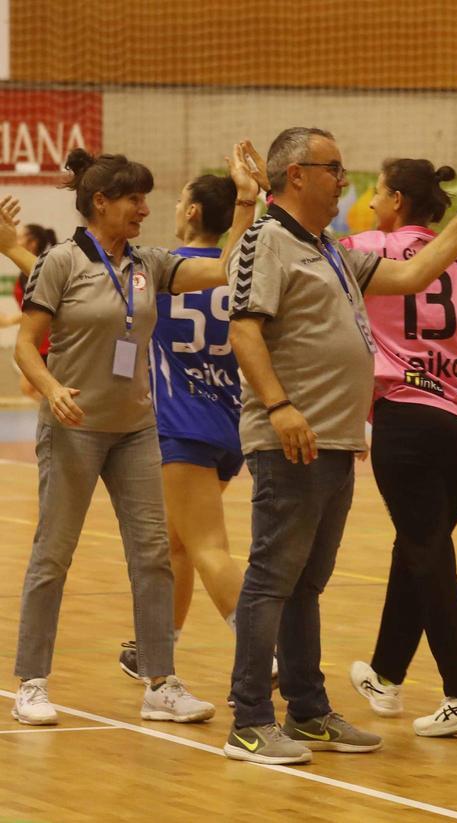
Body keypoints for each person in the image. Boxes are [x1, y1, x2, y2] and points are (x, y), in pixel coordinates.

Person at [222, 127, 457, 765]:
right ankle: (250, 720)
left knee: (307, 584)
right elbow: (244, 332)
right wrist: (281, 406)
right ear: (295, 175)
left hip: (337, 439)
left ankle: (309, 711)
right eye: (334, 168)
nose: (346, 180)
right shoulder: (267, 241)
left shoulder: (330, 249)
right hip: (288, 437)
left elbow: (414, 273)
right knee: (271, 579)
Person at [3, 143, 260, 726]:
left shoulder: (150, 264)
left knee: (152, 556)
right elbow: (25, 344)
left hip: (138, 429)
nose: (145, 208)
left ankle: (160, 682)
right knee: (53, 555)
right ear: (101, 202)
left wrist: (246, 198)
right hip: (74, 429)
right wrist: (51, 388)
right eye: (134, 199)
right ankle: (33, 682)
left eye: (146, 199)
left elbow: (223, 267)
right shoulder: (61, 263)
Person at [340, 158, 457, 737]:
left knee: (426, 551)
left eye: (377, 192)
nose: (370, 200)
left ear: (397, 201)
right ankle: (385, 675)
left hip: (406, 417)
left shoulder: (362, 247)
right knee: (421, 546)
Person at [116, 172, 265, 688]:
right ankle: (157, 647)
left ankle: (266, 655)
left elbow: (122, 337)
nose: (174, 208)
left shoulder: (160, 270)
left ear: (194, 212)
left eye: (180, 200)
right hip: (227, 420)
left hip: (180, 422)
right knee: (175, 543)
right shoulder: (238, 272)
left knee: (206, 546)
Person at [0, 221, 57, 399]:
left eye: (20, 236)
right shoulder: (24, 274)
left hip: (52, 340)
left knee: (35, 388)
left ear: (32, 243)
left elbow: (41, 306)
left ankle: (67, 417)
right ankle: (63, 416)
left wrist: (9, 320)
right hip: (38, 340)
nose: (15, 238)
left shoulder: (44, 269)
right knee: (30, 388)